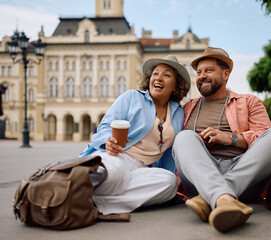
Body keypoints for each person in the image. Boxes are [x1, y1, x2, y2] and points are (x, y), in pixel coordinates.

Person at [172, 47, 271, 233]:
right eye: (199, 72)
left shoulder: (248, 101)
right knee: (184, 137)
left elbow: (264, 136)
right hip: (200, 177)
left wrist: (231, 139)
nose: (202, 76)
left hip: (244, 172)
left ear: (226, 73)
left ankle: (211, 198)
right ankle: (224, 198)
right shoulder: (187, 107)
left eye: (208, 70)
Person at [80, 55, 190, 215]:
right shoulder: (132, 97)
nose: (158, 78)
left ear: (175, 85)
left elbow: (170, 154)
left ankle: (97, 202)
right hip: (118, 156)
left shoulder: (179, 112)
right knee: (115, 174)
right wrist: (107, 141)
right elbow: (104, 126)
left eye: (166, 75)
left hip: (143, 169)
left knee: (168, 182)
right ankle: (64, 183)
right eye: (155, 73)